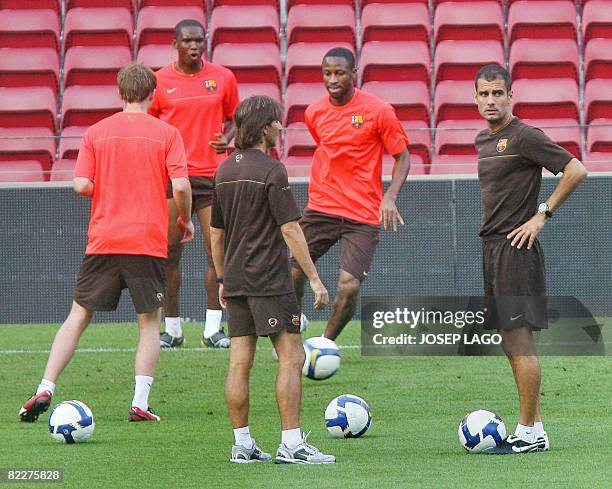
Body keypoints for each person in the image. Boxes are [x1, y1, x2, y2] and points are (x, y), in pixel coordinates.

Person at [18, 63, 194, 423]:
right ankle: (140, 403)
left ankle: (46, 384)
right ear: (152, 94)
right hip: (145, 239)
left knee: (78, 316)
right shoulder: (167, 133)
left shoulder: (97, 132)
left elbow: (81, 185)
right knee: (149, 321)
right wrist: (186, 219)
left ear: (120, 93)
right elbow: (180, 187)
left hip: (105, 237)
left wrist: (110, 189)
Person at [210, 95, 335, 464]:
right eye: (277, 122)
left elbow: (216, 234)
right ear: (265, 128)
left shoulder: (222, 171)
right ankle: (292, 444)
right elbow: (292, 230)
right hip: (269, 278)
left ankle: (242, 444)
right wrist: (314, 279)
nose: (281, 128)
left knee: (239, 362)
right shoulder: (271, 170)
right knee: (291, 356)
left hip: (234, 279)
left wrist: (221, 277)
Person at [474, 64, 588, 454]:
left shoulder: (524, 136)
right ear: (475, 99)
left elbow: (576, 169)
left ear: (510, 96)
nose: (491, 101)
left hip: (515, 251)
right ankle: (534, 427)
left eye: (497, 94)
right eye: (484, 94)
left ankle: (527, 433)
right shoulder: (483, 141)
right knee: (510, 342)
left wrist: (542, 216)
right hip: (491, 249)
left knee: (520, 343)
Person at [291, 47, 411, 340]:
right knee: (291, 272)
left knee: (349, 285)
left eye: (339, 73)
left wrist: (390, 197)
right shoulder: (314, 112)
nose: (332, 79)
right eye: (327, 73)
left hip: (362, 213)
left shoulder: (379, 110)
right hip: (321, 207)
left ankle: (324, 344)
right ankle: (291, 333)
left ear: (354, 74)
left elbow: (402, 156)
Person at [150, 19, 239, 349]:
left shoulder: (223, 77)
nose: (194, 45)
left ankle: (213, 329)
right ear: (174, 43)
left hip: (213, 176)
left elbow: (234, 118)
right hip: (173, 177)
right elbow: (151, 125)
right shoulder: (159, 81)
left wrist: (227, 138)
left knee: (216, 254)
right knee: (170, 255)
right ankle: (172, 329)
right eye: (187, 41)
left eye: (199, 40)